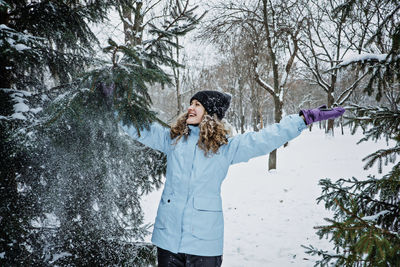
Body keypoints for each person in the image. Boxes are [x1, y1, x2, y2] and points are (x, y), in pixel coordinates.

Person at [117, 90, 345, 267]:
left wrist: (302, 120)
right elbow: (141, 128)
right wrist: (112, 106)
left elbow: (264, 138)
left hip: (204, 242)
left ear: (210, 112)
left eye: (197, 104)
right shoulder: (173, 140)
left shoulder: (225, 148)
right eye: (191, 103)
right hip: (168, 239)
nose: (190, 108)